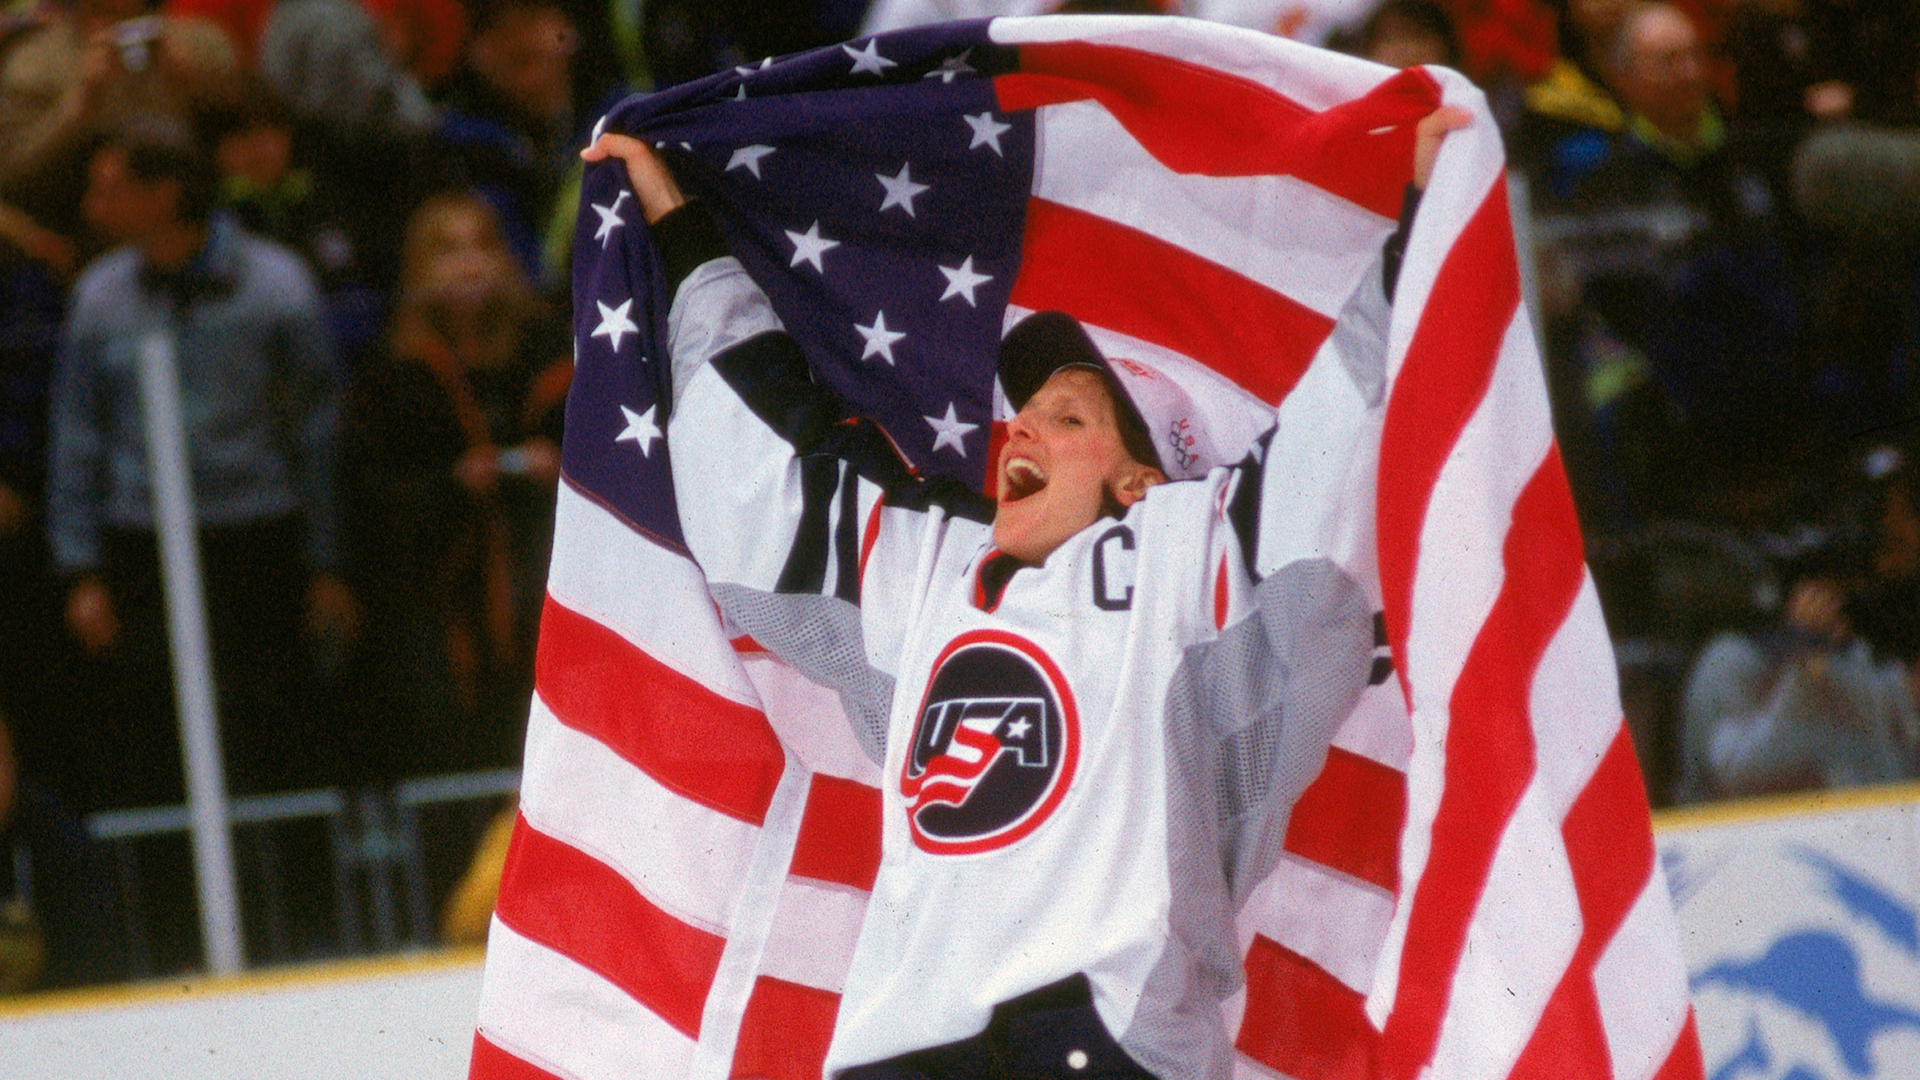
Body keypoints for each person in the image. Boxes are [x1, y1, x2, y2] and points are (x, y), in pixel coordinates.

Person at [581, 105, 1467, 1080]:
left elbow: (1335, 440)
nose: (1022, 435)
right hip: (901, 1046)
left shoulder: (1196, 559)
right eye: (1023, 418)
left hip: (1102, 1035)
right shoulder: (927, 567)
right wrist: (686, 237)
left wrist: (1421, 228)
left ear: (1140, 481)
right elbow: (765, 472)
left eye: (1069, 417)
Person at [341, 191, 568, 781]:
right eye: (449, 252)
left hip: (536, 567)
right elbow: (372, 491)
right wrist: (453, 483)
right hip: (441, 588)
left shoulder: (548, 350)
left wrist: (557, 463)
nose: (470, 264)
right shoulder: (394, 369)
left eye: (482, 247)